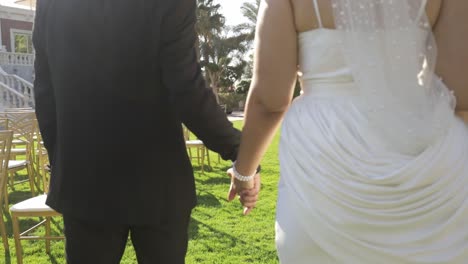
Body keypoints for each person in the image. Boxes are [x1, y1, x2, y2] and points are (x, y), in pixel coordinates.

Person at [232, 0, 468, 263]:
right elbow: (461, 97)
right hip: (424, 171)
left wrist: (244, 172)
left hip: (322, 164)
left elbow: (269, 101)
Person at [33, 0, 259, 263]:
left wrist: (62, 161)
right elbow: (187, 89)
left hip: (84, 180)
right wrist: (240, 153)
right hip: (158, 183)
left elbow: (45, 94)